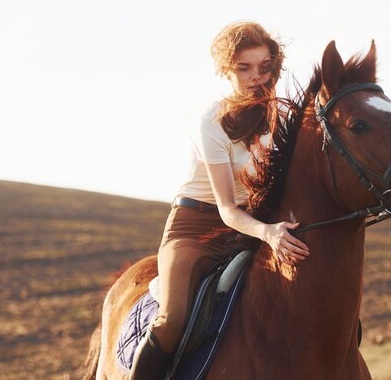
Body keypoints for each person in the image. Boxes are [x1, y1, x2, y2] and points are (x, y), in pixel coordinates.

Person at [129, 21, 311, 380]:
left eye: (264, 67)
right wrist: (270, 234)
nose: (255, 77)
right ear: (226, 71)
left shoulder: (283, 116)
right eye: (243, 68)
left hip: (256, 224)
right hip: (197, 227)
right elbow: (227, 209)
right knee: (171, 320)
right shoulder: (211, 120)